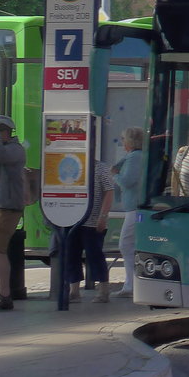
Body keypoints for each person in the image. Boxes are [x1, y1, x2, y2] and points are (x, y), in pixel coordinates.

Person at [0, 115, 28, 311]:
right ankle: (3, 293)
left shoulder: (15, 149)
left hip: (7, 207)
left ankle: (4, 295)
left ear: (4, 132)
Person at [69, 159, 115, 303]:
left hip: (93, 220)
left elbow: (109, 191)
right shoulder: (71, 163)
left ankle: (103, 290)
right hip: (72, 219)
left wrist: (103, 216)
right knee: (71, 254)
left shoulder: (100, 167)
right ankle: (74, 291)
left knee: (95, 254)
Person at [111, 127, 144, 299]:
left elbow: (127, 181)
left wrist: (115, 175)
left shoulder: (134, 158)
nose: (122, 141)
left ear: (130, 141)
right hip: (134, 206)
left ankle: (131, 284)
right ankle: (132, 282)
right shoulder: (135, 157)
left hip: (134, 208)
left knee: (125, 244)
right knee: (131, 244)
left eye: (123, 138)